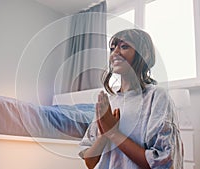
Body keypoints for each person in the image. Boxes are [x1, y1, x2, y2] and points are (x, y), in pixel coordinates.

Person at [78, 28, 183, 169]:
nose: (115, 53)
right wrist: (103, 136)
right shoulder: (109, 102)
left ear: (143, 54)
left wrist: (114, 133)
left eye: (124, 46)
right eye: (112, 48)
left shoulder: (156, 96)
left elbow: (161, 163)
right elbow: (90, 162)